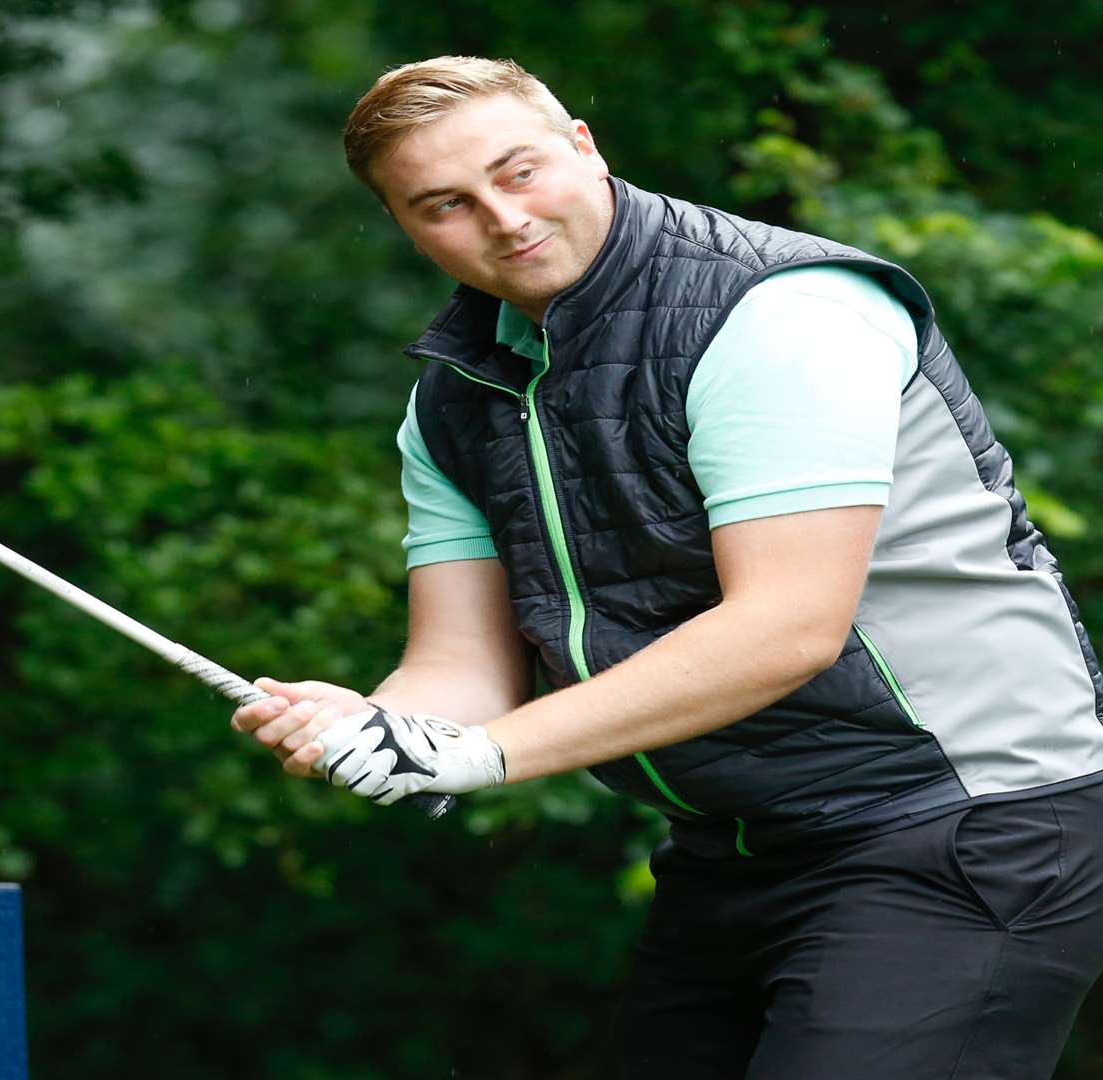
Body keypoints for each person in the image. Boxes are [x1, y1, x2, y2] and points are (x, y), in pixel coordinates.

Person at [229, 55, 1103, 1078]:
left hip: (966, 826)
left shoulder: (778, 311)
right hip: (730, 851)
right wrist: (383, 727)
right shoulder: (454, 400)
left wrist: (486, 754)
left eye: (520, 173)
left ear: (583, 147)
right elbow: (460, 664)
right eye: (446, 205)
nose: (504, 219)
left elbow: (786, 629)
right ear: (404, 225)